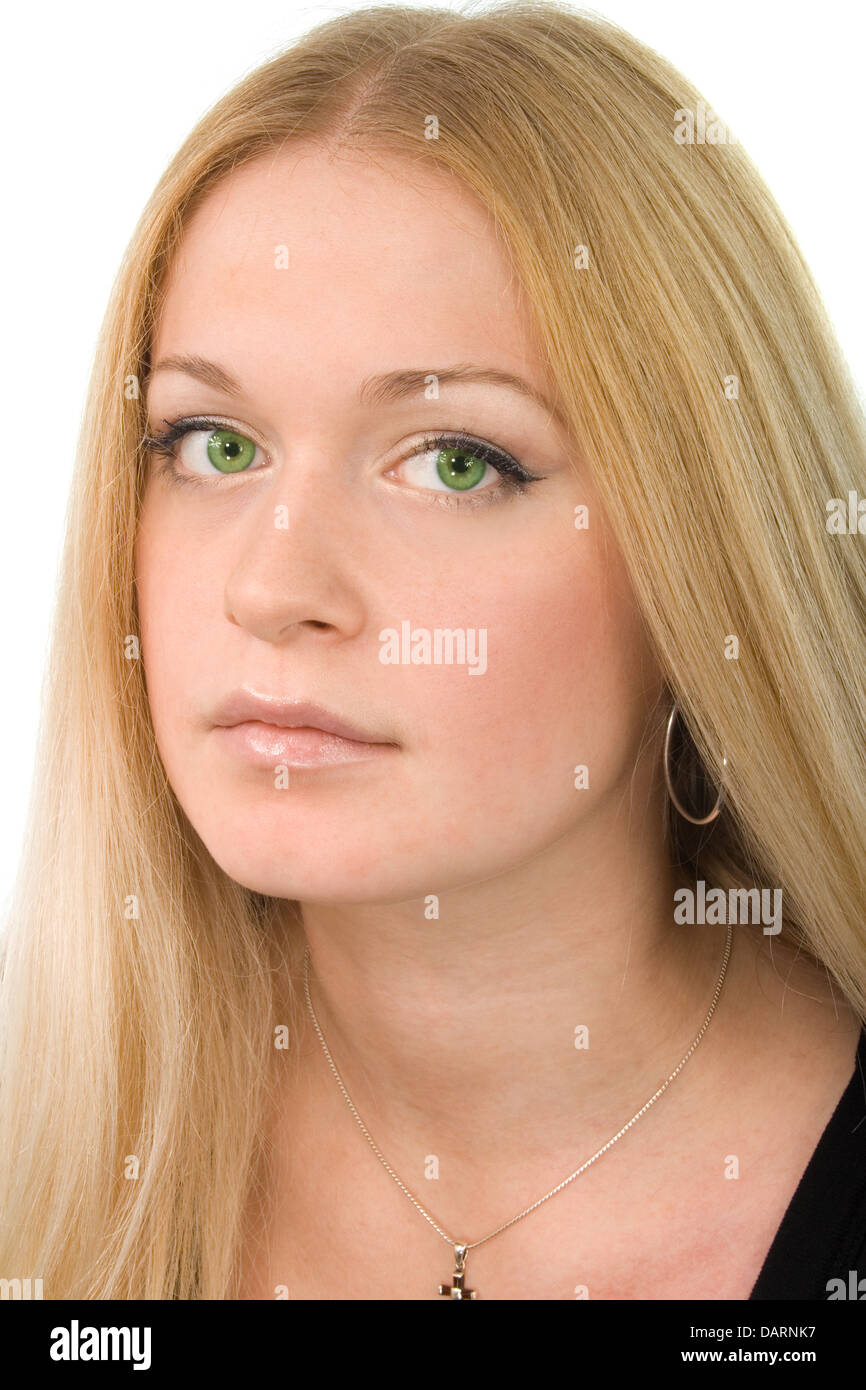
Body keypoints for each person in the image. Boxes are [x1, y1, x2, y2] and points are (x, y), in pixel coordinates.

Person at [1, 1, 864, 1301]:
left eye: (454, 461)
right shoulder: (45, 1146)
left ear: (705, 554)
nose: (272, 588)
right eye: (215, 445)